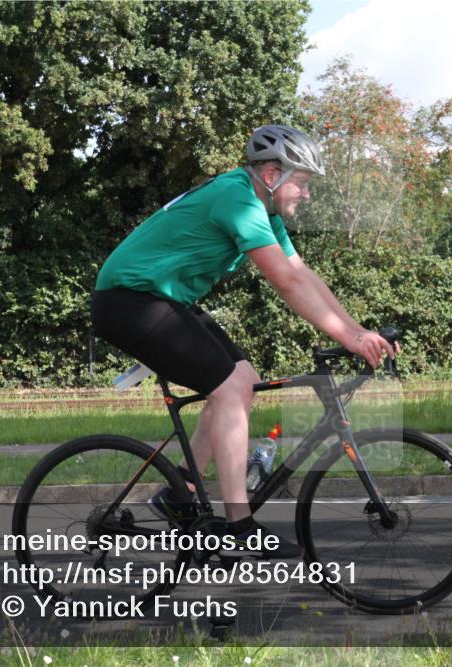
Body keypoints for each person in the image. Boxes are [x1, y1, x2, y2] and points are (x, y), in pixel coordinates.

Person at [90, 125, 397, 559]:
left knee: (243, 379)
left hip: (161, 298)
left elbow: (304, 274)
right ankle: (239, 525)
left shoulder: (262, 209)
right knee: (231, 389)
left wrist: (357, 331)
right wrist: (347, 336)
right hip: (129, 301)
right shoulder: (237, 198)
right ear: (272, 174)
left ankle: (181, 491)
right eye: (303, 183)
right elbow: (286, 282)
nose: (306, 195)